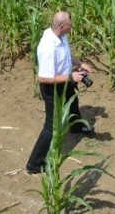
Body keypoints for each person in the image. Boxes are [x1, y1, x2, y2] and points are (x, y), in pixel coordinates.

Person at [26, 11, 94, 175]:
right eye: (70, 24)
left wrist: (80, 63)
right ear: (62, 26)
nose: (72, 26)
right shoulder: (48, 47)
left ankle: (77, 127)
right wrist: (70, 77)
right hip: (52, 88)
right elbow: (43, 78)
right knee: (51, 126)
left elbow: (66, 55)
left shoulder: (61, 36)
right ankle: (34, 164)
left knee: (73, 101)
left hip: (65, 81)